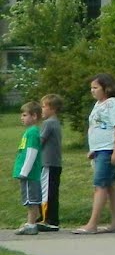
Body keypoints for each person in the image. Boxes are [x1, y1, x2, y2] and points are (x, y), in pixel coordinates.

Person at [75, 74, 115, 234]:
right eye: (91, 88)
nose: (92, 91)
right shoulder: (98, 104)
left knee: (100, 185)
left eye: (96, 87)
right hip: (100, 149)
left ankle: (92, 224)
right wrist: (93, 149)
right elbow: (97, 127)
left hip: (109, 148)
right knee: (110, 185)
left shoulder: (112, 103)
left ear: (106, 88)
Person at [14, 101, 42, 235]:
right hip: (28, 173)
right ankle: (30, 222)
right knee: (28, 198)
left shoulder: (32, 133)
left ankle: (31, 224)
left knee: (32, 199)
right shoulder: (29, 132)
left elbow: (31, 153)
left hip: (30, 174)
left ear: (34, 116)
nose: (22, 118)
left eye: (25, 115)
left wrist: (24, 171)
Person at [37, 94, 62, 232]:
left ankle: (48, 219)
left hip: (48, 162)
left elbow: (40, 141)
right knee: (51, 190)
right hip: (55, 163)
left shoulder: (48, 123)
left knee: (46, 192)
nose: (42, 109)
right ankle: (47, 217)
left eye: (44, 106)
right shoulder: (56, 122)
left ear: (52, 108)